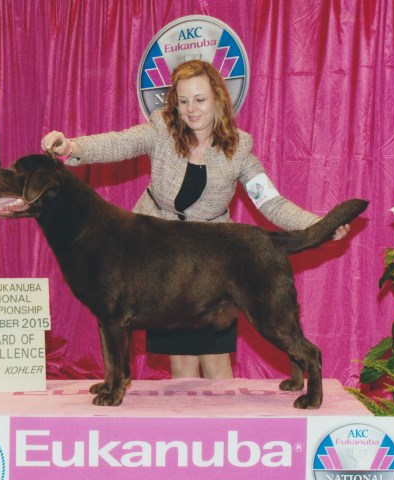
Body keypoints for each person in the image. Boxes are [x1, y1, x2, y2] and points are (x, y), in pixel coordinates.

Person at [41, 59, 349, 380]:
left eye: (200, 100)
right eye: (184, 100)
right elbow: (118, 142)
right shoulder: (162, 128)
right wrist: (72, 146)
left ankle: (227, 430)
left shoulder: (239, 148)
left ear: (217, 98)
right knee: (181, 367)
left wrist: (317, 225)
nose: (192, 110)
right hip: (158, 265)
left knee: (216, 364)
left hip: (211, 266)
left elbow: (270, 201)